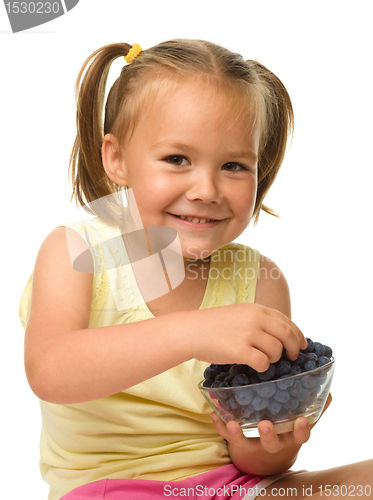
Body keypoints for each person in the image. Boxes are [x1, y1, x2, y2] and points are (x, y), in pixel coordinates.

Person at [19, 40, 372, 500]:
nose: (206, 189)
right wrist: (192, 333)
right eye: (177, 159)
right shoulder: (75, 250)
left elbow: (251, 457)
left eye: (233, 165)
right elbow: (50, 370)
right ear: (118, 159)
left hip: (238, 488)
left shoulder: (260, 280)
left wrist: (274, 443)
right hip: (114, 490)